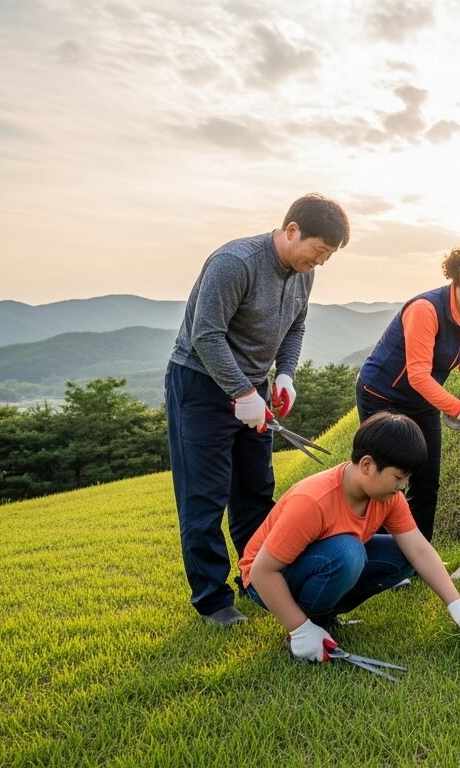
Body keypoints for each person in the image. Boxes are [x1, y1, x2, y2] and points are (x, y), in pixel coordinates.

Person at [166, 193, 350, 627]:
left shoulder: (303, 273)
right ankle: (213, 601)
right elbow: (206, 335)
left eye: (327, 256)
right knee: (204, 496)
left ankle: (257, 581)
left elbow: (296, 325)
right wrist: (241, 393)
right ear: (291, 231)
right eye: (318, 251)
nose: (319, 263)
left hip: (252, 386)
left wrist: (283, 374)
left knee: (255, 490)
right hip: (201, 383)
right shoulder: (236, 263)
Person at [240, 412, 460, 661]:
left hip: (317, 563)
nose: (402, 487)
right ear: (367, 465)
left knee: (404, 555)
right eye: (399, 477)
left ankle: (324, 618)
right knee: (349, 552)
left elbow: (419, 549)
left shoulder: (389, 499)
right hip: (266, 581)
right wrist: (300, 630)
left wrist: (457, 605)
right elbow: (262, 572)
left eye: (407, 479)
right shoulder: (312, 501)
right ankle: (308, 624)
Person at [355, 245, 460, 541]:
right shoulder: (426, 309)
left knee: (427, 478)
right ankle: (377, 551)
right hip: (381, 394)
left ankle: (418, 555)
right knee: (384, 477)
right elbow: (418, 375)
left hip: (423, 399)